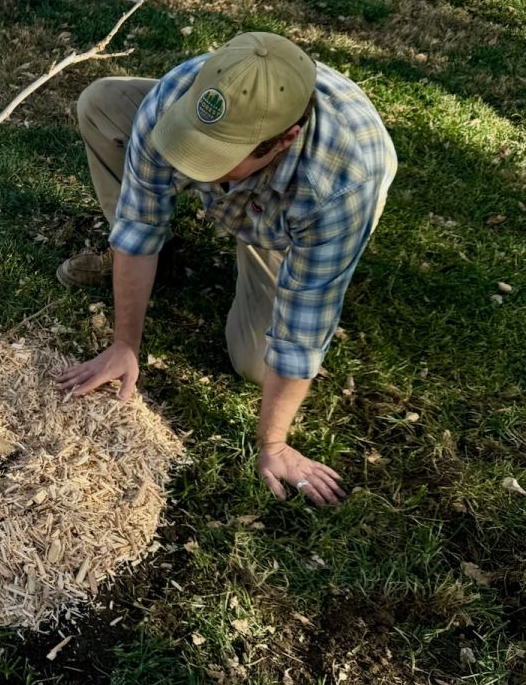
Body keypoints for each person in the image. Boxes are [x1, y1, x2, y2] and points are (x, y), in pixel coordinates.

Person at [56, 32, 396, 506]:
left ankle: (256, 244)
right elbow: (138, 228)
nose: (190, 164)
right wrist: (124, 345)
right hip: (258, 172)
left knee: (256, 364)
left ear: (284, 140)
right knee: (101, 102)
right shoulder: (175, 97)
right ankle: (164, 259)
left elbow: (300, 335)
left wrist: (273, 445)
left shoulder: (339, 187)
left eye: (216, 156)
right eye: (191, 141)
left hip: (286, 219)